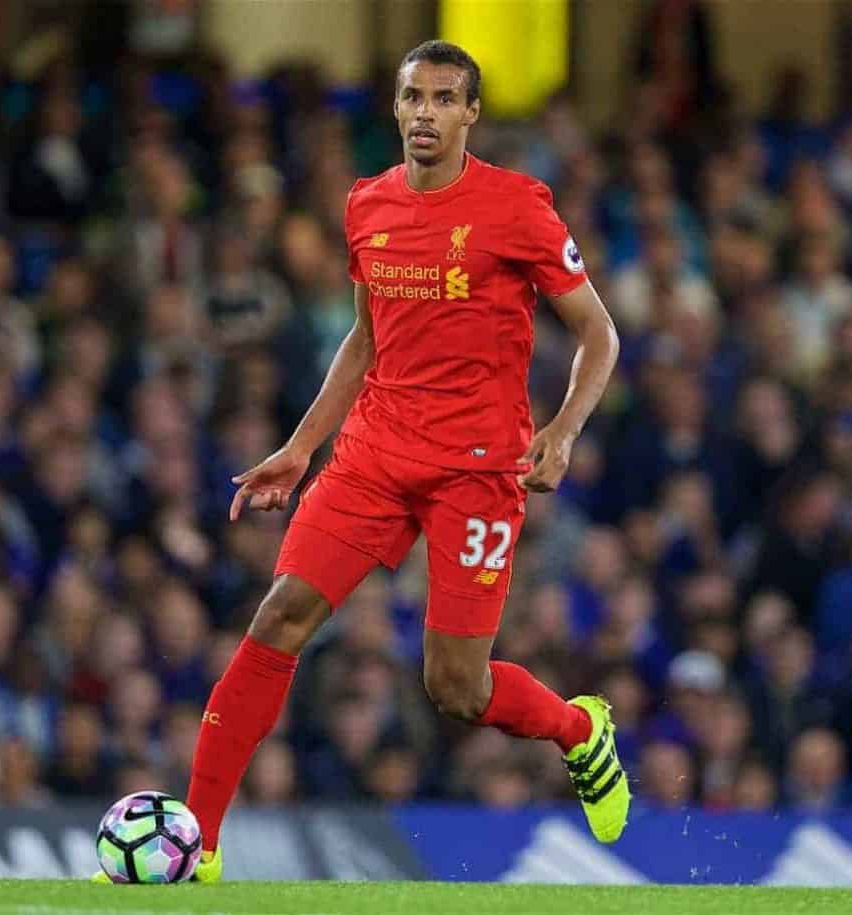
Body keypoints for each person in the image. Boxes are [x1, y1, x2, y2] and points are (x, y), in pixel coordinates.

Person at [98, 40, 625, 884]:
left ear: (470, 113)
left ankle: (576, 730)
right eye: (412, 96)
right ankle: (200, 844)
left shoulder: (518, 208)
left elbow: (598, 333)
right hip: (374, 453)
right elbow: (366, 337)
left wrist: (560, 429)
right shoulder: (366, 204)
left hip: (477, 467)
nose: (425, 112)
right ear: (394, 106)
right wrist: (301, 448)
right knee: (279, 615)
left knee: (454, 685)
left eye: (444, 99)